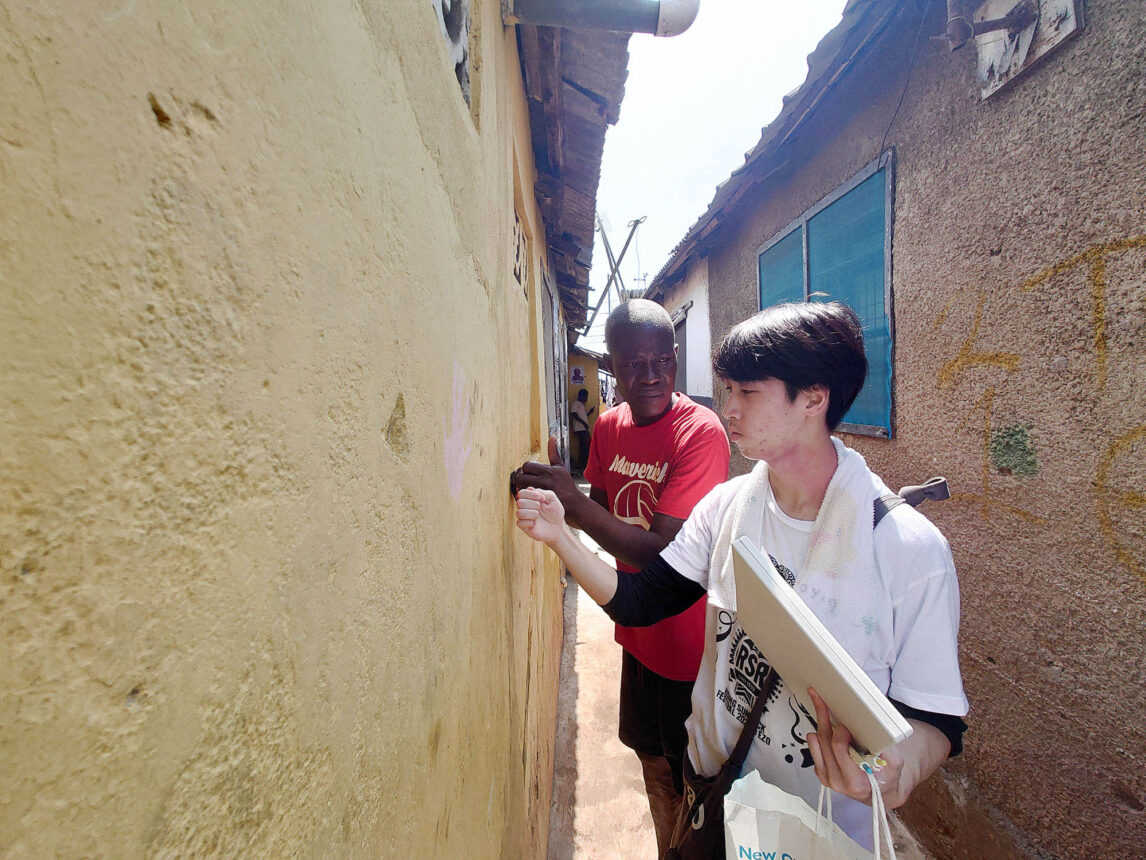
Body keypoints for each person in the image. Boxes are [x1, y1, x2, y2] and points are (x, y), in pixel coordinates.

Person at [516, 302, 968, 851]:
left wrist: (899, 770)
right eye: (728, 389)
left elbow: (935, 720)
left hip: (819, 828)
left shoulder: (907, 550)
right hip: (714, 789)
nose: (727, 408)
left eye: (747, 392)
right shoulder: (727, 508)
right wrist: (561, 536)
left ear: (814, 399)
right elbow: (641, 599)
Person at [513, 299, 730, 857]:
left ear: (675, 358)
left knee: (697, 788)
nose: (652, 375)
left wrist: (573, 504)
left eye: (663, 361)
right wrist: (560, 500)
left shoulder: (700, 434)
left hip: (690, 649)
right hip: (636, 633)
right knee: (652, 764)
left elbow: (661, 552)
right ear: (611, 366)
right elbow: (604, 517)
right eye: (635, 364)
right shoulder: (609, 427)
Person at [569, 388, 595, 473]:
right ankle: (583, 464)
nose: (586, 398)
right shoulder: (576, 403)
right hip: (580, 429)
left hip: (583, 428)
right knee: (585, 446)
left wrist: (589, 413)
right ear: (581, 396)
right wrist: (583, 423)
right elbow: (573, 413)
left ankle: (583, 464)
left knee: (584, 446)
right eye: (586, 396)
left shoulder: (581, 405)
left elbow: (582, 416)